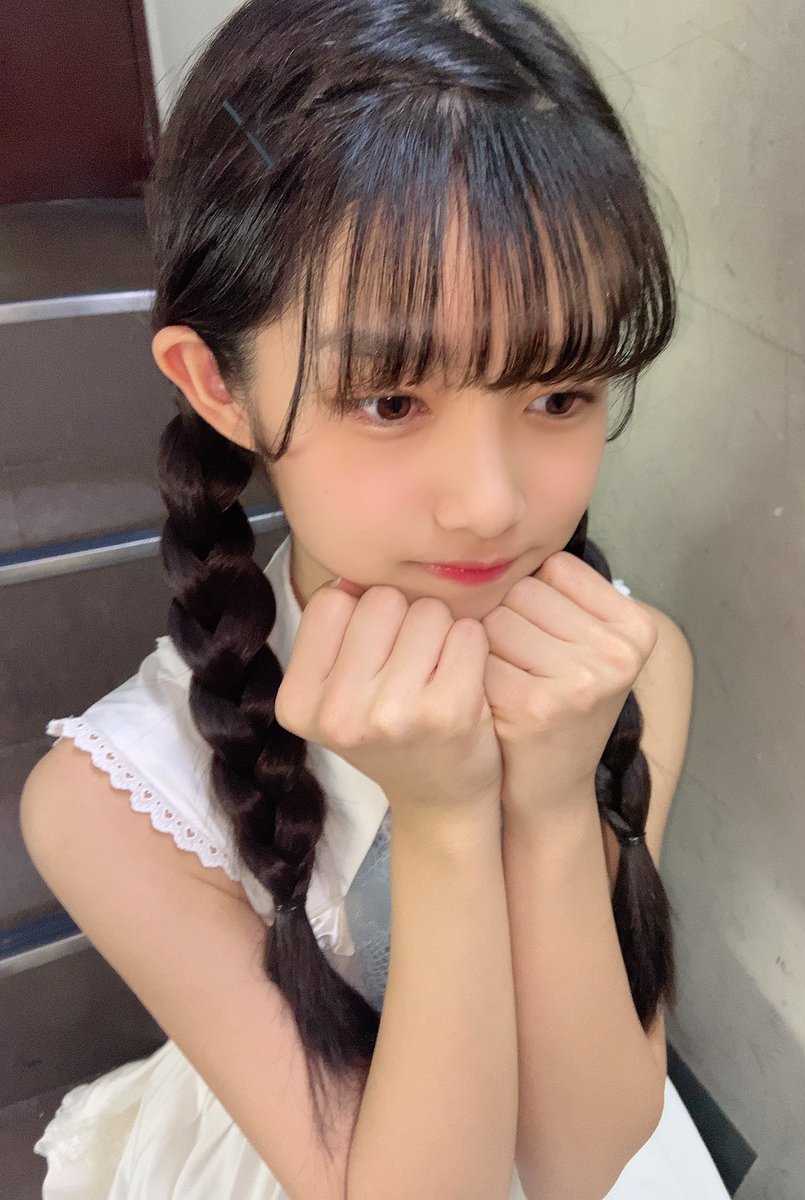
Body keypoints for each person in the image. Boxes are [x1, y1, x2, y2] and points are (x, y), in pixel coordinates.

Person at [19, 1, 731, 1196]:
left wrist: (552, 804)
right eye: (392, 401)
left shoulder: (623, 663)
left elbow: (584, 1159)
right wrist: (445, 823)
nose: (490, 504)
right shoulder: (109, 803)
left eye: (560, 394)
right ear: (220, 387)